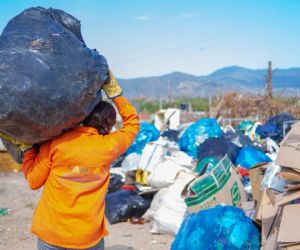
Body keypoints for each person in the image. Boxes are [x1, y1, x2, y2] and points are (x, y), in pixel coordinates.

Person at [4, 71, 140, 250]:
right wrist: (115, 93)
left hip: (51, 235)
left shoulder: (57, 143)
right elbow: (133, 123)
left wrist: (28, 150)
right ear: (108, 125)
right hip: (87, 238)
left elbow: (34, 181)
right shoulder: (109, 146)